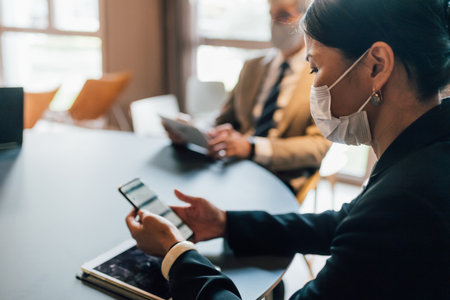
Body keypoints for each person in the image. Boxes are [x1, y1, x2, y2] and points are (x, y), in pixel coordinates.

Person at [127, 0, 450, 299]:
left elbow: (372, 222)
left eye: (315, 67)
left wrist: (177, 255)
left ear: (377, 66)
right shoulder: (426, 154)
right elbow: (346, 222)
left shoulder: (404, 201)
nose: (314, 85)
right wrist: (225, 223)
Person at [164, 0, 331, 193]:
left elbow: (317, 147)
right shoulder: (253, 66)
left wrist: (251, 148)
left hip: (279, 178)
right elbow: (224, 119)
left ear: (306, 18)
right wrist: (193, 132)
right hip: (235, 168)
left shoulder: (319, 74)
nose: (275, 23)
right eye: (271, 15)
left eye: (284, 15)